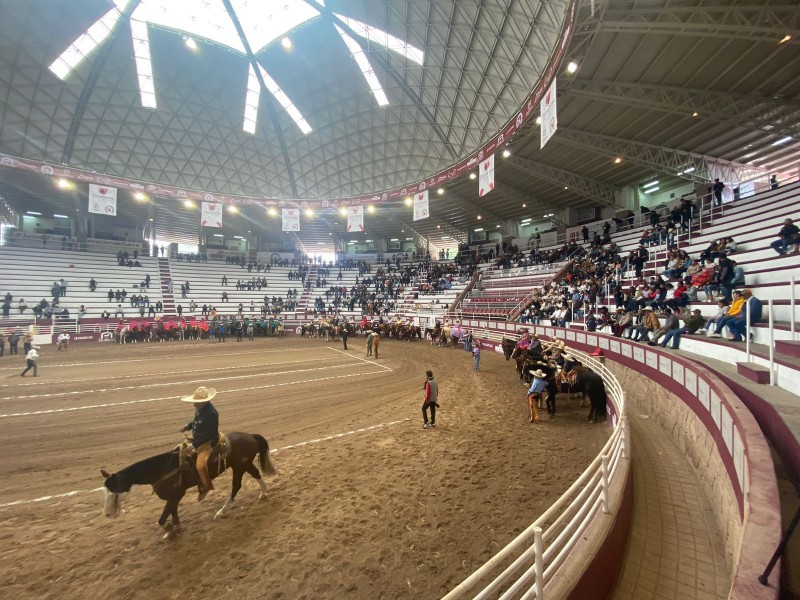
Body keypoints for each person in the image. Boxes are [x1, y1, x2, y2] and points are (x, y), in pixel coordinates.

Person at [179, 386, 220, 501]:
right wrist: (188, 426)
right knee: (179, 450)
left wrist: (193, 446)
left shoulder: (212, 413)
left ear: (205, 402)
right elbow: (196, 421)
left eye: (197, 403)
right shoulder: (200, 409)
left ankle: (206, 486)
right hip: (198, 438)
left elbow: (209, 434)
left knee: (200, 466)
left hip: (208, 442)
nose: (194, 405)